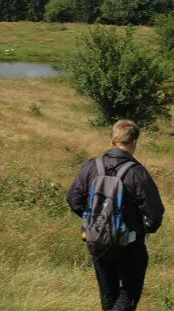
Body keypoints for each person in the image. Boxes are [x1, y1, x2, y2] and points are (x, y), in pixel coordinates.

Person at [67, 119, 165, 311]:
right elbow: (155, 212)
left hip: (98, 241)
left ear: (113, 140)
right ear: (134, 142)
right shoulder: (136, 172)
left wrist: (96, 222)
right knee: (129, 293)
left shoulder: (91, 166)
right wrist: (143, 229)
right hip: (129, 243)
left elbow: (73, 199)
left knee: (108, 294)